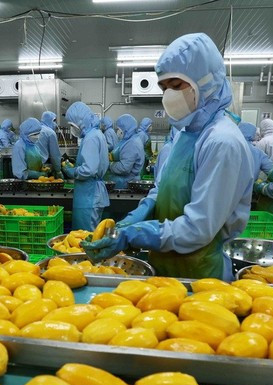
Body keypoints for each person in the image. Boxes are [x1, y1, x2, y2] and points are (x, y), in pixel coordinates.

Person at [84, 33, 254, 280]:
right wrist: (138, 216)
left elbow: (199, 228)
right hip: (164, 264)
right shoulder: (186, 135)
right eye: (164, 88)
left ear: (205, 82)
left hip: (200, 273)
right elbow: (162, 188)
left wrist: (137, 235)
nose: (169, 96)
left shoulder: (221, 141)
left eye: (176, 86)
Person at [63, 102, 110, 231]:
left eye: (72, 125)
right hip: (91, 193)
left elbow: (89, 169)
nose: (72, 129)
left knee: (84, 236)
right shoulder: (96, 134)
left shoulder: (91, 138)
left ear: (81, 122)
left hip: (88, 195)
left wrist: (72, 171)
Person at [108, 114, 145, 190]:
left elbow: (124, 168)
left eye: (118, 129)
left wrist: (109, 165)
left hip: (125, 184)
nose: (117, 131)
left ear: (125, 129)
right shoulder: (128, 140)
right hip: (124, 182)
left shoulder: (132, 143)